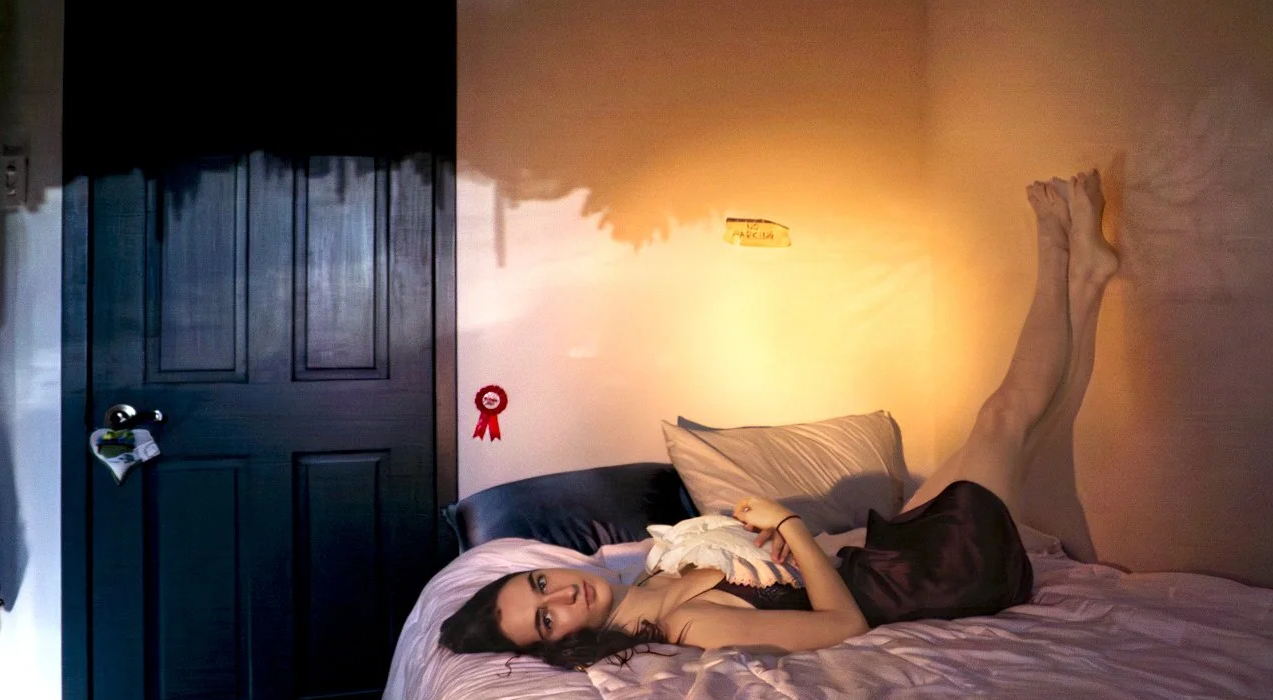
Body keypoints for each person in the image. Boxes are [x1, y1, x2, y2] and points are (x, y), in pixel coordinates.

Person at [439, 171, 1120, 669]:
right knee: (1005, 417)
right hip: (935, 580)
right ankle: (1056, 254)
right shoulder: (685, 627)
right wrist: (790, 524)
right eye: (547, 619)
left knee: (1016, 430)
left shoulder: (642, 582)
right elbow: (845, 629)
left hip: (884, 556)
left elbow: (667, 556)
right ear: (560, 646)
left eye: (538, 583)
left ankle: (1087, 276)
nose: (562, 592)